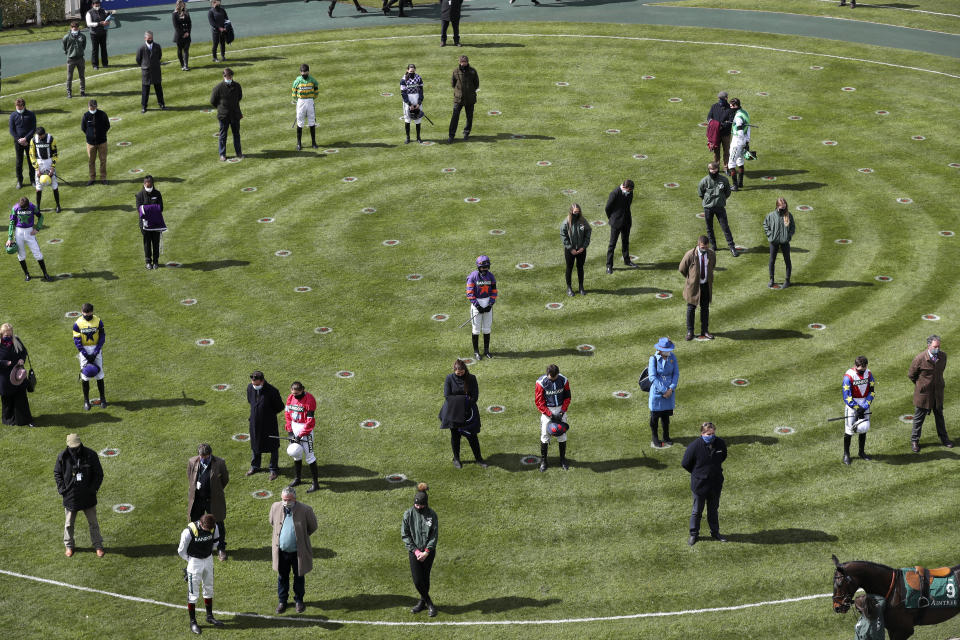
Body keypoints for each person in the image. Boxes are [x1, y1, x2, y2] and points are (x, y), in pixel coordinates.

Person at [54, 433, 105, 557]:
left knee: (93, 523)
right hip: (71, 496)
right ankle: (69, 546)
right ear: (68, 446)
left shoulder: (90, 454)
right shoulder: (62, 457)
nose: (75, 449)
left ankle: (98, 545)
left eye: (76, 447)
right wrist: (62, 490)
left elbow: (99, 474)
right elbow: (57, 473)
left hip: (88, 496)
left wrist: (92, 490)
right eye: (72, 447)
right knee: (69, 524)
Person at [269, 487, 318, 614]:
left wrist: (301, 537)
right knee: (282, 577)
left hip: (298, 553)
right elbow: (272, 522)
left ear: (294, 498)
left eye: (289, 499)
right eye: (284, 499)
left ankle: (299, 601)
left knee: (299, 576)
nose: (286, 502)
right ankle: (282, 601)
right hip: (282, 552)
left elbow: (312, 526)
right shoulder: (275, 507)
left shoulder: (306, 510)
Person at [681, 421, 728, 545]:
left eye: (712, 433)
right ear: (702, 433)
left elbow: (723, 456)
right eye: (708, 434)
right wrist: (697, 473)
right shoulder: (694, 446)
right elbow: (685, 463)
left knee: (713, 510)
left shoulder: (720, 443)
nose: (711, 436)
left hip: (715, 483)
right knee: (697, 511)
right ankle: (693, 534)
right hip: (700, 485)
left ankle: (715, 532)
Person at [177, 513, 224, 634]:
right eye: (206, 529)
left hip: (208, 560)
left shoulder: (214, 527)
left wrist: (206, 553)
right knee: (193, 594)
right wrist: (191, 561)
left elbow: (215, 542)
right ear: (201, 523)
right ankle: (193, 622)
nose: (209, 530)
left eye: (210, 529)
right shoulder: (189, 531)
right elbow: (181, 550)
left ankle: (209, 616)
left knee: (209, 588)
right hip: (194, 562)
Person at [439, 359, 487, 469]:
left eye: (462, 372)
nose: (460, 375)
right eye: (458, 373)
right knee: (455, 436)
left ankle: (479, 459)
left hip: (468, 412)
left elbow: (475, 396)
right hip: (454, 412)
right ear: (454, 370)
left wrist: (465, 402)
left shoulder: (472, 378)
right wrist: (465, 399)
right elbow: (447, 396)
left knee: (472, 437)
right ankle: (456, 459)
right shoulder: (449, 378)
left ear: (465, 369)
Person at [908, 335, 952, 452]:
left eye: (938, 346)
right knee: (918, 419)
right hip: (924, 395)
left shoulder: (943, 356)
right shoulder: (920, 358)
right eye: (935, 346)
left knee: (939, 417)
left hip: (937, 393)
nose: (937, 348)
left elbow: (940, 371)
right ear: (928, 345)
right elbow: (911, 375)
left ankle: (944, 439)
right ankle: (914, 441)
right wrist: (921, 385)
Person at [187, 444, 229, 561]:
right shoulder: (192, 462)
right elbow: (190, 477)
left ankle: (221, 548)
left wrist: (215, 490)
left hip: (213, 500)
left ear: (210, 454)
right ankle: (197, 546)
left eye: (205, 456)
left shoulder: (219, 462)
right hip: (198, 499)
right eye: (201, 456)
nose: (203, 459)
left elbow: (224, 479)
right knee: (195, 523)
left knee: (219, 523)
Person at [402, 482, 438, 617]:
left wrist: (426, 552)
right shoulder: (408, 514)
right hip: (415, 552)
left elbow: (434, 535)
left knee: (425, 578)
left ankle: (422, 603)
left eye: (420, 505)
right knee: (417, 580)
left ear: (425, 504)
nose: (417, 507)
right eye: (416, 504)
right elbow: (405, 535)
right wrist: (417, 552)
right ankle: (430, 604)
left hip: (428, 553)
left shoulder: (432, 515)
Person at [247, 370, 285, 480]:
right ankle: (255, 466)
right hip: (254, 422)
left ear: (262, 381)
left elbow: (280, 407)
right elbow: (250, 401)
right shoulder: (250, 388)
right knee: (255, 444)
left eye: (257, 384)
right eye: (254, 384)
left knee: (272, 445)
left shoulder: (272, 391)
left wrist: (267, 413)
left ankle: (273, 469)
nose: (255, 386)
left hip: (269, 424)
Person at [7, 196, 53, 281]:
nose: (23, 209)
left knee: (37, 253)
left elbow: (41, 216)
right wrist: (9, 238)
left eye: (25, 208)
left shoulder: (32, 207)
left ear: (28, 205)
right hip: (19, 233)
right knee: (21, 255)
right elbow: (11, 222)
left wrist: (38, 228)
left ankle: (45, 274)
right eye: (22, 208)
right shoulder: (15, 208)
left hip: (30, 232)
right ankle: (27, 274)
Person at [535, 364, 571, 472]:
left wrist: (562, 412)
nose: (553, 380)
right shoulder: (540, 383)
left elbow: (567, 397)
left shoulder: (564, 380)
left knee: (562, 435)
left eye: (555, 378)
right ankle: (544, 461)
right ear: (548, 374)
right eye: (551, 378)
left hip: (560, 409)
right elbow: (539, 402)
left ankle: (562, 460)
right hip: (547, 410)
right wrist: (550, 415)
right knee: (545, 436)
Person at [285, 381, 320, 492]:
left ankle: (316, 484)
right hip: (294, 427)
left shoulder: (310, 399)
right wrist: (290, 432)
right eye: (293, 393)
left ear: (303, 390)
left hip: (306, 430)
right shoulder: (290, 397)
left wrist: (300, 436)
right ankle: (298, 478)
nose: (295, 396)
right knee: (296, 453)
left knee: (310, 456)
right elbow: (287, 415)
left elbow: (310, 422)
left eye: (297, 393)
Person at [679, 235, 715, 341]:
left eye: (706, 247)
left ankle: (705, 330)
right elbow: (682, 268)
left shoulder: (711, 254)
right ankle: (690, 331)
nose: (705, 249)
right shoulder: (690, 254)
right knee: (691, 308)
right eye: (703, 247)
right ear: (698, 245)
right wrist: (691, 279)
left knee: (705, 308)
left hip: (705, 286)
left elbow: (712, 266)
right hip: (693, 287)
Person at [697, 162, 737, 257]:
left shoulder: (724, 180)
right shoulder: (704, 181)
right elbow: (700, 193)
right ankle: (713, 246)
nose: (713, 172)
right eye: (711, 170)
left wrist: (721, 199)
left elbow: (728, 192)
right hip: (708, 208)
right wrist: (708, 201)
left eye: (715, 170)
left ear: (718, 169)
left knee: (725, 227)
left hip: (720, 207)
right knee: (709, 228)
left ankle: (732, 247)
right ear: (709, 170)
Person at [842, 355, 875, 465]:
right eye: (860, 370)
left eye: (864, 369)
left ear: (866, 366)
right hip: (852, 406)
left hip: (865, 404)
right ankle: (846, 454)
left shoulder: (869, 374)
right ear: (856, 366)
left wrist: (865, 406)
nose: (862, 372)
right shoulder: (848, 376)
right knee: (849, 430)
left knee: (863, 428)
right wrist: (857, 408)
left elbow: (872, 391)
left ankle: (861, 452)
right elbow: (846, 396)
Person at [73, 302, 106, 409]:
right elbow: (77, 341)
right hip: (84, 350)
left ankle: (103, 398)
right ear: (82, 312)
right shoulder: (77, 324)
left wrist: (96, 352)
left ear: (92, 311)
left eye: (89, 314)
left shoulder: (98, 321)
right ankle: (86, 401)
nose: (87, 316)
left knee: (100, 374)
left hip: (96, 348)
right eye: (85, 314)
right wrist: (86, 355)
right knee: (85, 376)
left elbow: (102, 337)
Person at [648, 337, 679, 449]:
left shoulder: (672, 357)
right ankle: (655, 437)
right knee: (655, 417)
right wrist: (664, 390)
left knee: (666, 416)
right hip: (657, 392)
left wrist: (671, 389)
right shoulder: (653, 359)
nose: (668, 352)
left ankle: (666, 436)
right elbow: (652, 377)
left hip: (669, 392)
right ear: (660, 350)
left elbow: (676, 374)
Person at [0, 323, 33, 426]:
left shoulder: (16, 340)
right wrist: (4, 363)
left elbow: (24, 352)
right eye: (6, 336)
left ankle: (25, 420)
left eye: (10, 335)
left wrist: (21, 360)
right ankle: (9, 420)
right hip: (4, 377)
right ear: (1, 334)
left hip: (18, 375)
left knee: (21, 398)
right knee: (7, 399)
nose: (9, 338)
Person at [466, 254, 497, 360]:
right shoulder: (472, 276)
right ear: (478, 267)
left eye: (486, 267)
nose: (485, 269)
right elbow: (470, 292)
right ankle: (476, 352)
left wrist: (490, 304)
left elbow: (494, 291)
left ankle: (487, 350)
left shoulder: (491, 276)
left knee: (487, 328)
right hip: (477, 303)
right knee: (476, 329)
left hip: (488, 301)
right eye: (483, 267)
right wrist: (477, 305)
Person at [763, 197, 796, 288]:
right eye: (781, 206)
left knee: (787, 260)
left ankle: (787, 280)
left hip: (785, 242)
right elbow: (765, 224)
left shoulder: (789, 215)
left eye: (784, 206)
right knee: (772, 260)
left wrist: (788, 236)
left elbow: (793, 227)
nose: (783, 208)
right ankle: (771, 279)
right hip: (774, 242)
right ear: (777, 206)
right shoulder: (771, 215)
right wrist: (770, 235)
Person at [211, 67, 243, 161]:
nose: (229, 77)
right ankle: (222, 154)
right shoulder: (218, 87)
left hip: (235, 114)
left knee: (236, 134)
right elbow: (213, 101)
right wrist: (222, 108)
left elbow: (239, 97)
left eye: (230, 76)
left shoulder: (237, 86)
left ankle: (239, 153)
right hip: (224, 116)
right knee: (223, 135)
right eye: (227, 76)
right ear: (224, 76)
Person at [604, 179, 636, 274]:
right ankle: (609, 266)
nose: (630, 192)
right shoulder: (615, 193)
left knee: (625, 242)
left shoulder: (630, 192)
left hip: (626, 221)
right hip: (616, 223)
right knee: (612, 245)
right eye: (629, 190)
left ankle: (627, 260)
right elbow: (607, 208)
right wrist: (612, 218)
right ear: (625, 187)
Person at [28, 127, 62, 213]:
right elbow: (32, 155)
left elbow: (55, 153)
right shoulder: (33, 140)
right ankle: (38, 207)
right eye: (38, 136)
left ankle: (58, 205)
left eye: (41, 136)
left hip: (49, 161)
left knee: (54, 185)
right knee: (38, 187)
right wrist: (37, 169)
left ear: (44, 134)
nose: (40, 137)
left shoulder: (51, 138)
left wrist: (52, 167)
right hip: (39, 163)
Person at [561, 203, 591, 296]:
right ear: (571, 212)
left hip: (581, 250)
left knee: (580, 267)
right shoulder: (566, 222)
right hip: (570, 250)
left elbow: (588, 231)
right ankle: (569, 288)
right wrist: (570, 248)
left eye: (578, 212)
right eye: (575, 212)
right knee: (569, 268)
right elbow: (563, 235)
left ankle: (581, 287)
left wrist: (583, 246)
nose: (577, 213)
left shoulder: (582, 220)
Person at [135, 175, 163, 269]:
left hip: (156, 223)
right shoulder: (139, 195)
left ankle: (155, 261)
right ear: (144, 184)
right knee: (147, 243)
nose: (148, 185)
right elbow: (139, 209)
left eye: (150, 184)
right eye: (147, 184)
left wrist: (146, 208)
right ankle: (148, 262)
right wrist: (152, 208)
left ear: (152, 184)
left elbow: (161, 208)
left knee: (156, 242)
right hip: (145, 224)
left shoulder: (157, 194)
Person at [448, 55, 477, 142]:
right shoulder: (455, 71)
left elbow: (476, 84)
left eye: (464, 62)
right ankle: (451, 135)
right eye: (462, 62)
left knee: (469, 117)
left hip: (470, 98)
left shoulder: (472, 71)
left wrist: (469, 91)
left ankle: (466, 133)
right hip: (458, 98)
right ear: (459, 62)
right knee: (455, 117)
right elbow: (453, 84)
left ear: (467, 62)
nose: (463, 63)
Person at [80, 99, 110, 186]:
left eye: (94, 107)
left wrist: (101, 134)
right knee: (91, 161)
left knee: (103, 160)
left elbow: (107, 126)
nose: (92, 108)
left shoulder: (102, 114)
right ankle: (92, 178)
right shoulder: (86, 115)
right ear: (88, 106)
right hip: (90, 143)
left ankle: (103, 178)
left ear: (96, 106)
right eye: (91, 107)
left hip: (102, 142)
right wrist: (90, 135)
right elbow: (83, 128)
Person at [10, 97, 37, 189]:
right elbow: (12, 130)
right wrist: (19, 139)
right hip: (18, 143)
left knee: (31, 161)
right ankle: (20, 181)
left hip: (29, 141)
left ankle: (33, 180)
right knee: (19, 162)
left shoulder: (31, 114)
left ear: (23, 106)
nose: (18, 109)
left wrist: (26, 138)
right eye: (17, 107)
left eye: (19, 107)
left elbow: (33, 128)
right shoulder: (13, 115)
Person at [136, 31, 165, 113]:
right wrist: (144, 65)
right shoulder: (141, 48)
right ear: (145, 38)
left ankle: (162, 104)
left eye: (151, 38)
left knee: (158, 89)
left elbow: (159, 56)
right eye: (149, 38)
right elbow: (138, 60)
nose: (150, 39)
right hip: (146, 72)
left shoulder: (157, 46)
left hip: (156, 70)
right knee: (145, 90)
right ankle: (144, 106)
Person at [292, 63, 319, 151]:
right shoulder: (297, 81)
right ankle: (299, 144)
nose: (304, 74)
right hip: (301, 102)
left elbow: (316, 90)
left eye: (305, 72)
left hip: (310, 101)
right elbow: (294, 92)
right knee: (300, 123)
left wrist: (312, 98)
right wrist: (297, 100)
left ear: (308, 71)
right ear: (300, 72)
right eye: (302, 72)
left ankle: (314, 143)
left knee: (312, 122)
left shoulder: (312, 80)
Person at [727, 97, 750, 191]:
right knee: (740, 161)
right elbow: (748, 129)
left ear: (735, 106)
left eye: (731, 106)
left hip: (737, 141)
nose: (730, 108)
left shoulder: (738, 116)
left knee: (731, 163)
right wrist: (746, 142)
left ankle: (735, 185)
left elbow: (740, 130)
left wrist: (741, 142)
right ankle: (740, 183)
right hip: (743, 140)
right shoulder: (745, 113)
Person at [706, 90, 733, 168]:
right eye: (719, 98)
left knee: (726, 151)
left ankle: (726, 167)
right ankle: (716, 166)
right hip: (716, 134)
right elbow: (709, 118)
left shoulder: (730, 109)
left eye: (722, 98)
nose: (720, 100)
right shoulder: (714, 106)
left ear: (726, 98)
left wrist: (720, 126)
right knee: (716, 152)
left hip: (726, 134)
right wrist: (715, 125)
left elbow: (730, 121)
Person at [86, 0, 114, 69]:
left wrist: (108, 21)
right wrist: (99, 23)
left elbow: (107, 18)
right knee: (95, 50)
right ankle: (95, 65)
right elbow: (89, 24)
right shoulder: (89, 13)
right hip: (94, 34)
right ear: (93, 5)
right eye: (96, 5)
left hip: (103, 33)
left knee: (104, 48)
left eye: (98, 5)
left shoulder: (103, 10)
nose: (97, 6)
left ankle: (105, 64)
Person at [62, 21, 87, 100]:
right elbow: (64, 47)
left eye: (76, 28)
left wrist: (79, 52)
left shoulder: (82, 36)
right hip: (71, 59)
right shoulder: (66, 37)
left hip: (80, 59)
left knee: (82, 76)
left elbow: (84, 46)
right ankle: (69, 92)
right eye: (73, 28)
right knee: (69, 77)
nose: (75, 29)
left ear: (78, 28)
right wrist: (69, 53)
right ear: (71, 28)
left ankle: (82, 91)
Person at [400, 63, 424, 144]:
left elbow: (421, 91)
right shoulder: (403, 79)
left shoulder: (418, 78)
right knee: (407, 120)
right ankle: (408, 137)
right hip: (408, 101)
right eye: (410, 71)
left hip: (417, 100)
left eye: (413, 71)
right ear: (407, 70)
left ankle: (418, 137)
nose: (412, 72)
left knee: (418, 119)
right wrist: (409, 104)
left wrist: (419, 103)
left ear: (415, 70)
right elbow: (403, 93)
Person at [172, 0, 193, 71]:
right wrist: (182, 34)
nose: (182, 6)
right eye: (181, 5)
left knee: (186, 50)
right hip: (179, 36)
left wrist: (188, 33)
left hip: (187, 35)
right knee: (180, 50)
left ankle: (186, 65)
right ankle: (182, 64)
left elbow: (190, 23)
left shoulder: (186, 13)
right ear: (178, 5)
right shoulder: (174, 14)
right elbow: (176, 26)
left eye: (183, 5)